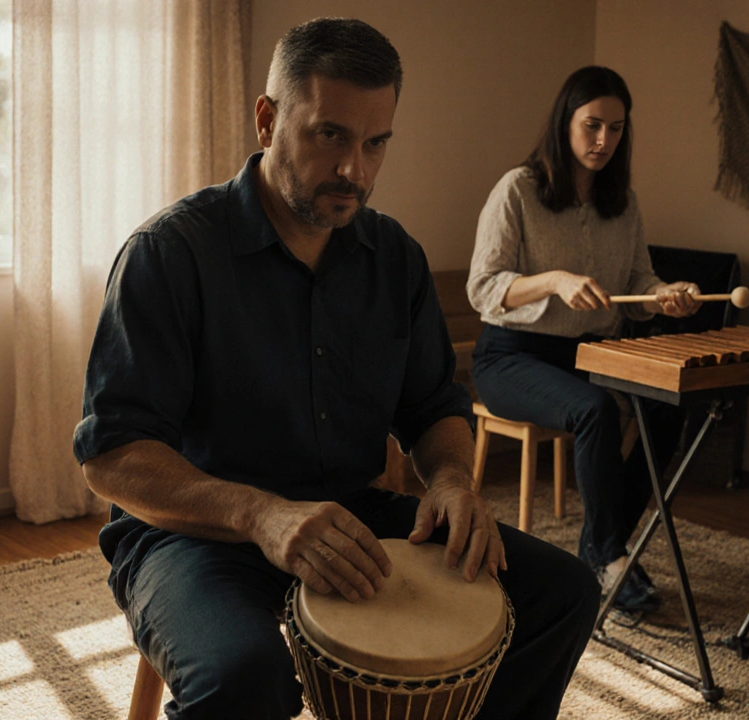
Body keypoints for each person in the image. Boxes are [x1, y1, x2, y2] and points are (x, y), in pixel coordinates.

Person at [74, 18, 599, 720]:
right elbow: (109, 457)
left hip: (352, 515)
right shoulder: (169, 255)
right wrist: (260, 513)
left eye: (376, 142)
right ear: (268, 120)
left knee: (563, 592)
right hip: (193, 534)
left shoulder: (395, 260)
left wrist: (449, 479)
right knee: (245, 679)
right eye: (330, 135)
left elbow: (433, 405)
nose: (356, 168)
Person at [466, 65, 701, 616]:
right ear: (564, 122)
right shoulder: (518, 189)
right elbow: (483, 287)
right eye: (592, 125)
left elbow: (638, 284)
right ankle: (611, 555)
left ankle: (602, 543)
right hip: (510, 355)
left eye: (616, 129)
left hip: (589, 356)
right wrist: (555, 280)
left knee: (668, 409)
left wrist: (667, 293)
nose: (603, 141)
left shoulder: (624, 202)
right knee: (595, 409)